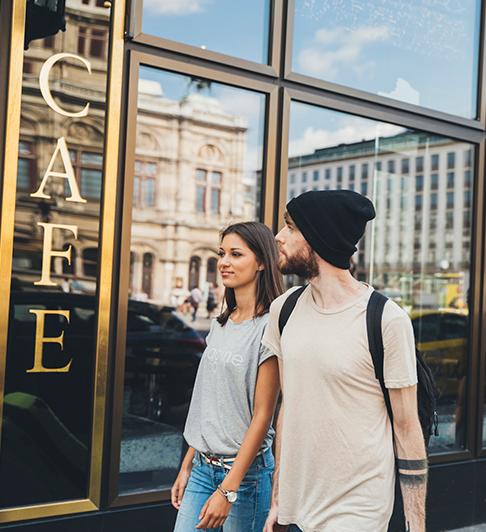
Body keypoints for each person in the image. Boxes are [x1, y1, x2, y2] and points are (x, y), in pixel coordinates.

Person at [261, 190, 428, 532]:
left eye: (290, 227)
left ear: (319, 239)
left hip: (357, 510)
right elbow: (288, 409)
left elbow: (407, 428)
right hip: (297, 507)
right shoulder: (284, 310)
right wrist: (278, 498)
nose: (278, 237)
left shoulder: (385, 319)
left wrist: (416, 522)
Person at [172, 221, 285, 532]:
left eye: (236, 254)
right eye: (222, 253)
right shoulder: (220, 323)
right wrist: (186, 466)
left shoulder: (270, 327)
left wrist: (228, 489)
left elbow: (263, 417)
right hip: (202, 468)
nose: (224, 262)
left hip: (246, 475)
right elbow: (209, 404)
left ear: (262, 262)